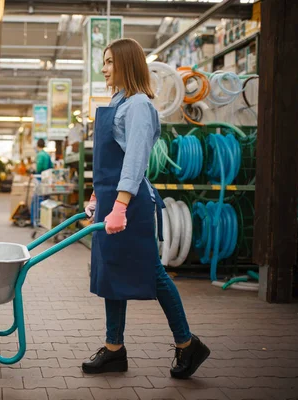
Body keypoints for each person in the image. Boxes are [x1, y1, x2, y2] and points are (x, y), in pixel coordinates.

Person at [81, 38, 210, 379]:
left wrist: (120, 205)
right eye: (104, 62)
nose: (104, 68)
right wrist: (97, 198)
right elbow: (108, 161)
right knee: (110, 273)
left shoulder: (138, 105)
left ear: (126, 64)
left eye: (109, 62)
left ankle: (187, 344)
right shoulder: (117, 101)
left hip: (131, 204)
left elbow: (135, 162)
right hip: (112, 201)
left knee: (152, 274)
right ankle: (114, 350)